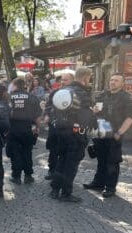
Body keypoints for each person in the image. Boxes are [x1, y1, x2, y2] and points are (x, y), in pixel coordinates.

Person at [83, 73, 132, 197]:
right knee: (101, 159)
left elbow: (130, 118)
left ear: (122, 83)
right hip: (102, 132)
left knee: (112, 161)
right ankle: (98, 183)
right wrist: (94, 111)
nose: (113, 82)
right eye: (112, 80)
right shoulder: (103, 95)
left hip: (115, 133)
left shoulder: (127, 98)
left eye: (116, 81)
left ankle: (110, 188)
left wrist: (120, 132)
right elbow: (96, 111)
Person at [49, 67, 96, 202]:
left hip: (61, 131)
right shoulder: (83, 93)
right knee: (71, 164)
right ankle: (66, 193)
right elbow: (85, 117)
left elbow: (55, 110)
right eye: (89, 78)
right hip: (76, 134)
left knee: (61, 160)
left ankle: (54, 190)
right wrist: (94, 114)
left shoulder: (64, 90)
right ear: (86, 78)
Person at [7, 78, 42, 185]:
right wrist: (38, 128)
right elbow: (37, 116)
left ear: (15, 85)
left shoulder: (9, 97)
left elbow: (6, 114)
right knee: (27, 152)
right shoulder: (32, 97)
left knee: (15, 152)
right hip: (28, 128)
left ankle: (16, 176)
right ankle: (28, 176)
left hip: (13, 128)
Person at [44, 73, 75, 180]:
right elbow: (48, 105)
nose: (63, 82)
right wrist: (47, 115)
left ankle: (63, 173)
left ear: (72, 81)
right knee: (53, 148)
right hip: (54, 124)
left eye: (66, 80)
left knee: (65, 150)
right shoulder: (55, 92)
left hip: (68, 127)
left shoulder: (74, 94)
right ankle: (52, 170)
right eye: (62, 79)